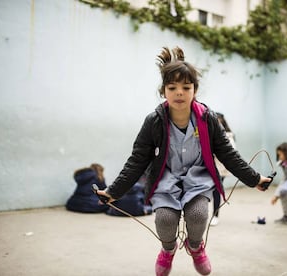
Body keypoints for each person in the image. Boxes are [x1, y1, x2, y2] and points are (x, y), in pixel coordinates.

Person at [96, 46, 271, 276]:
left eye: (186, 87)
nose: (179, 92)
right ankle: (168, 250)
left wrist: (255, 179)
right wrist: (113, 191)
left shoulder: (208, 119)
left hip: (198, 180)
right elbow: (137, 160)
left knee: (198, 215)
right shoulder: (154, 121)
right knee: (165, 219)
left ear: (195, 90)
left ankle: (196, 247)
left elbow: (228, 154)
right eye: (172, 87)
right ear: (163, 91)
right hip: (165, 180)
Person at [210, 112, 236, 226]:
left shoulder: (229, 135)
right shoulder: (208, 132)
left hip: (221, 168)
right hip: (208, 166)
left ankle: (215, 215)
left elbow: (231, 152)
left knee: (216, 190)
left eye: (219, 121)